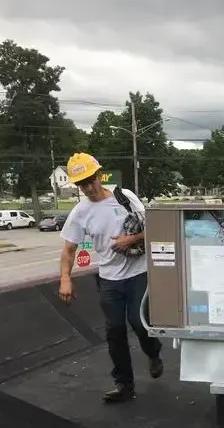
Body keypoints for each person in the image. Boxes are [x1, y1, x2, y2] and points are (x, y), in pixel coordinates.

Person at [58, 152, 163, 402]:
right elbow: (68, 250)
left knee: (139, 323)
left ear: (99, 176)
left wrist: (132, 239)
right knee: (114, 331)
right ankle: (124, 385)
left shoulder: (124, 198)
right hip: (109, 279)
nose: (89, 187)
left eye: (91, 179)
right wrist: (65, 279)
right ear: (77, 186)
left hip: (139, 273)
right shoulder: (80, 213)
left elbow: (155, 228)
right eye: (82, 183)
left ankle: (153, 352)